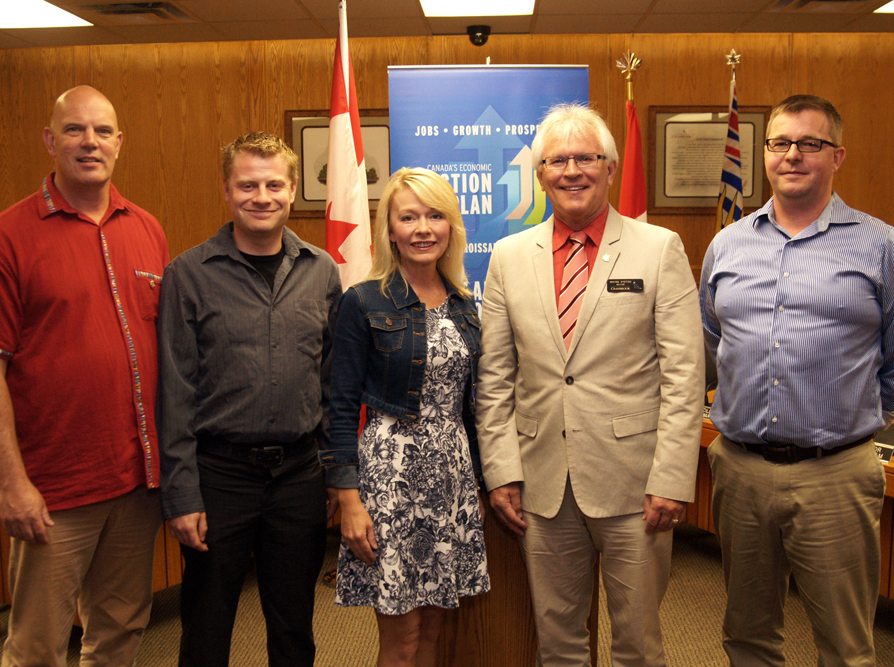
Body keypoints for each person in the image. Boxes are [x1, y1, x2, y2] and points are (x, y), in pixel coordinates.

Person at [700, 94, 894, 667]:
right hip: (741, 467)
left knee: (845, 645)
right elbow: (710, 340)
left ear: (838, 156)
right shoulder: (728, 244)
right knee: (748, 636)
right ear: (765, 153)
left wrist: (860, 415)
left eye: (811, 144)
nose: (793, 155)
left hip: (836, 474)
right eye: (780, 143)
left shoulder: (883, 248)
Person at [0, 85, 169, 667]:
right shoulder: (1, 239)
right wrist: (11, 483)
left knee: (120, 630)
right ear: (50, 140)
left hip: (135, 479)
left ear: (120, 143)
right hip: (54, 488)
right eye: (75, 129)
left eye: (102, 131)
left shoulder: (146, 228)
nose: (89, 142)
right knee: (38, 645)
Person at [476, 102, 705, 667]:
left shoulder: (659, 248)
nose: (572, 170)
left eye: (586, 158)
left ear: (610, 167)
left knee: (637, 642)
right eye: (558, 160)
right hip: (542, 481)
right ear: (540, 174)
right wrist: (501, 469)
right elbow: (495, 376)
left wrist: (674, 476)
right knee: (557, 642)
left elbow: (683, 373)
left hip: (635, 484)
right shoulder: (507, 257)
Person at [156, 131, 341, 667]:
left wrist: (332, 472)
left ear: (292, 189)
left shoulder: (322, 271)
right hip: (219, 477)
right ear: (227, 189)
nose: (261, 196)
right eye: (248, 185)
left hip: (298, 477)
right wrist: (181, 494)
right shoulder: (187, 275)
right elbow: (175, 391)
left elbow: (330, 384)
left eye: (273, 184)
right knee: (207, 626)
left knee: (294, 625)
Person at [320, 167, 490, 667]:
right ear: (389, 228)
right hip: (390, 479)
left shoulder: (463, 305)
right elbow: (341, 403)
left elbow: (471, 407)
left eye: (435, 215)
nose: (422, 228)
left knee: (435, 632)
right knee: (402, 640)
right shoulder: (363, 301)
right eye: (409, 217)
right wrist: (348, 497)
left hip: (451, 478)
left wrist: (477, 484)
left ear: (450, 226)